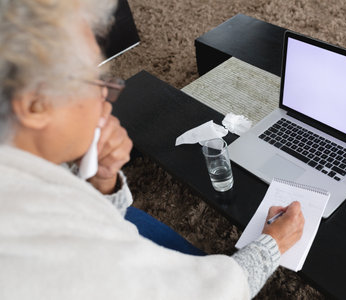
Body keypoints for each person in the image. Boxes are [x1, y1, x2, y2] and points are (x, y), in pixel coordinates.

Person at [0, 0, 305, 299]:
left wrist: (102, 183)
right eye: (92, 80)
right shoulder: (71, 263)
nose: (106, 98)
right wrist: (272, 245)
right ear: (34, 105)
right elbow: (207, 292)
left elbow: (89, 217)